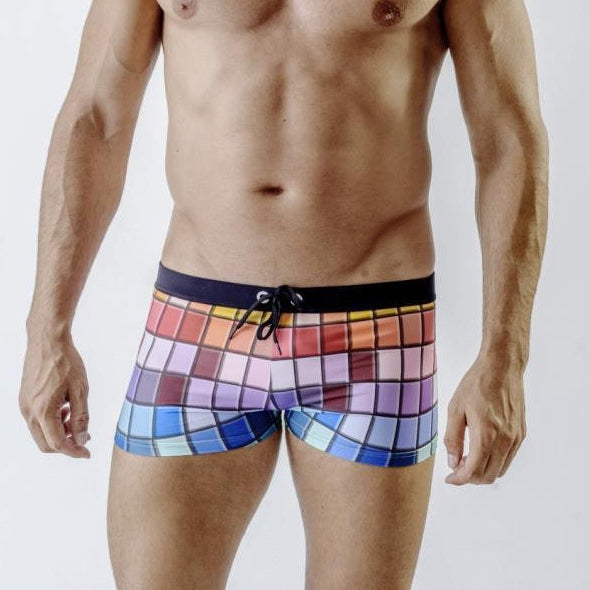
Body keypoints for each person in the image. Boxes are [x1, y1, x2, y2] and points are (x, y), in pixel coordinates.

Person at [18, 0, 548, 588]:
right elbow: (96, 118)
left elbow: (508, 137)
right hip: (194, 322)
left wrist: (505, 357)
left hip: (374, 332)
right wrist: (47, 328)